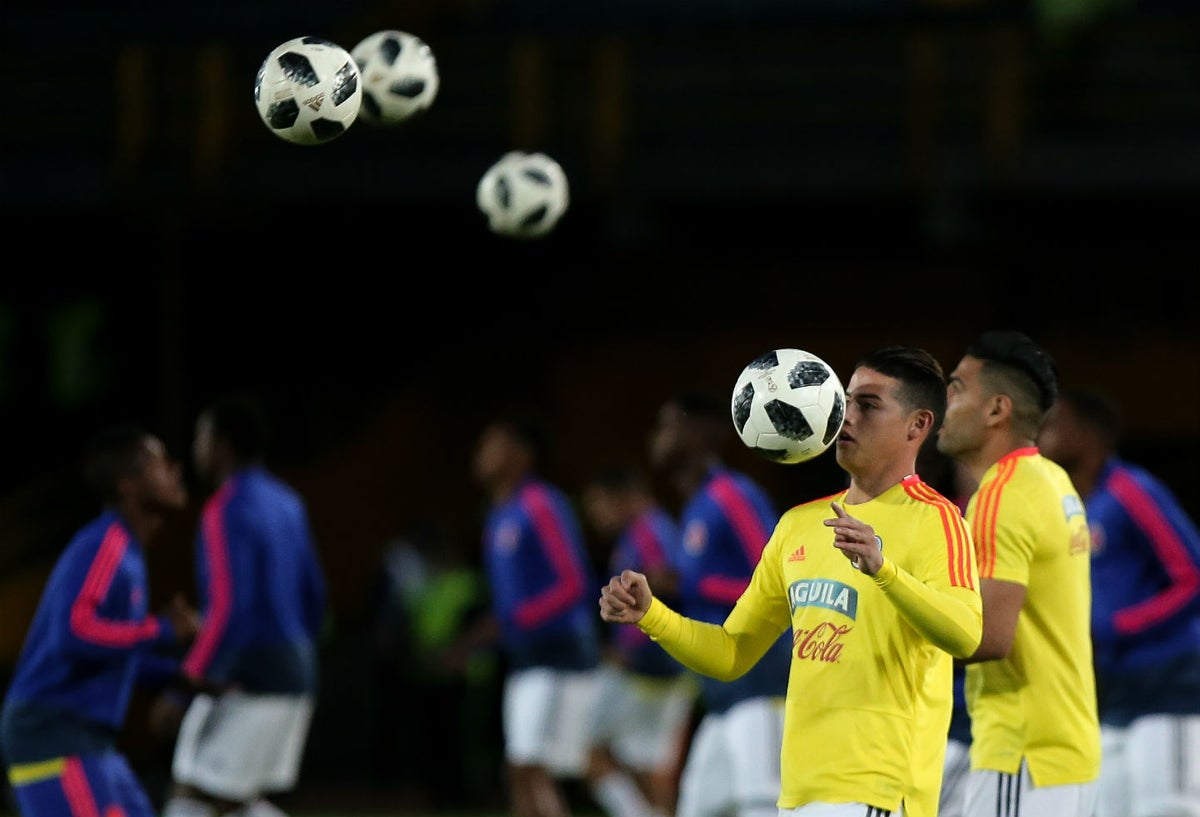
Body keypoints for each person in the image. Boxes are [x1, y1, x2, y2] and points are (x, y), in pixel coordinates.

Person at [601, 349, 983, 816]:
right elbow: (731, 652)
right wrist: (651, 615)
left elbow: (966, 634)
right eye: (845, 401)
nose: (846, 416)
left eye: (868, 405)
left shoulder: (936, 519)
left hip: (879, 789)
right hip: (800, 791)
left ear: (917, 425)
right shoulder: (798, 526)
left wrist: (884, 572)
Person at [936, 330, 1101, 817]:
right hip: (1064, 751)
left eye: (956, 389)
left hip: (1022, 753)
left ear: (997, 409)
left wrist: (887, 616)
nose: (944, 403)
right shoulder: (1052, 479)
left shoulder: (1000, 495)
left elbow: (988, 638)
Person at [0, 424, 201, 817]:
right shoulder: (106, 543)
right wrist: (163, 628)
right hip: (52, 732)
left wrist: (176, 676)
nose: (175, 470)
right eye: (160, 463)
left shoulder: (128, 552)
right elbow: (74, 633)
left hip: (90, 740)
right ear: (130, 487)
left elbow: (109, 651)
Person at [155, 394, 328, 817]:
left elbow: (228, 608)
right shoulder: (287, 501)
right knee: (226, 800)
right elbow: (315, 594)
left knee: (196, 793)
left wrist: (185, 683)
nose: (196, 447)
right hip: (295, 667)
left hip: (251, 671)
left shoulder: (226, 508)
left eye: (201, 437)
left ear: (222, 445)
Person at [1038, 387, 1200, 817]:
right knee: (1111, 809)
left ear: (1089, 433)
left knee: (1169, 807)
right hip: (1111, 685)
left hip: (1169, 681)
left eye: (1055, 423)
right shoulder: (1068, 506)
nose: (1042, 433)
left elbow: (1192, 577)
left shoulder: (1130, 489)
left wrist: (1119, 626)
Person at [639, 391, 795, 817]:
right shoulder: (697, 505)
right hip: (721, 694)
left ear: (701, 434)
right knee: (697, 808)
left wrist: (688, 583)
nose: (658, 437)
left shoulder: (732, 495)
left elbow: (777, 583)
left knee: (761, 803)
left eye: (669, 425)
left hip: (759, 683)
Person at [451, 412, 604, 817]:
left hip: (560, 650)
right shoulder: (498, 515)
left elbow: (573, 583)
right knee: (523, 768)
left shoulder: (539, 503)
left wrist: (513, 620)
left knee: (533, 766)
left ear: (520, 454)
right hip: (526, 655)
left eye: (492, 445)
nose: (481, 454)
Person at [580, 465, 697, 817]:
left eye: (598, 505)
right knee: (649, 768)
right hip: (666, 663)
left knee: (589, 751)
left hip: (646, 663)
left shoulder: (648, 531)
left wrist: (632, 644)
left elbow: (672, 580)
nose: (595, 516)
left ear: (623, 498)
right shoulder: (648, 530)